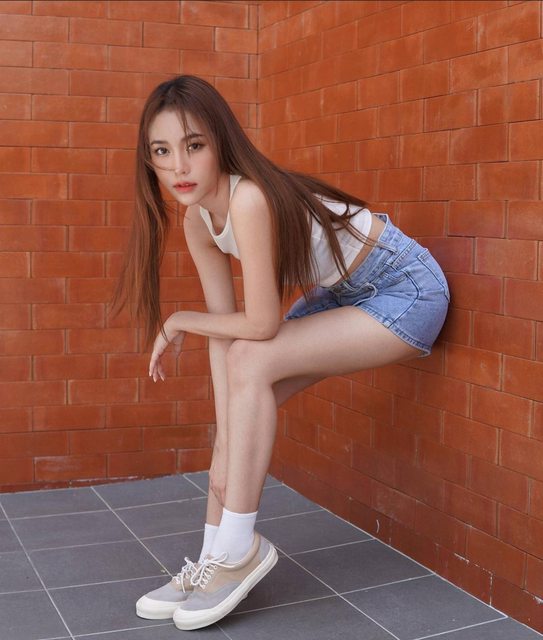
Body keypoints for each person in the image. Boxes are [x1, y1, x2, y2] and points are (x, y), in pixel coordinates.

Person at [111, 75, 450, 631]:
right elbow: (226, 335)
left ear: (220, 141)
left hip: (404, 289)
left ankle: (238, 551)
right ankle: (212, 559)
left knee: (251, 362)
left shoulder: (248, 198)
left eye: (194, 145)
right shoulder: (198, 221)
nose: (179, 167)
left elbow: (260, 325)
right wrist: (224, 432)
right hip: (339, 294)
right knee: (237, 407)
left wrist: (178, 320)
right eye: (162, 152)